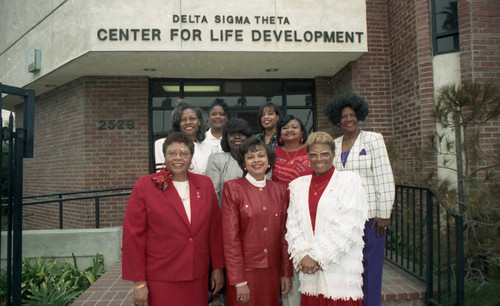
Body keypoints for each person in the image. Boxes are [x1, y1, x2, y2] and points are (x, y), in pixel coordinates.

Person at [122, 132, 225, 306]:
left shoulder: (205, 184)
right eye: (172, 153)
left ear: (191, 157)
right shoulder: (145, 186)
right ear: (164, 156)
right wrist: (139, 282)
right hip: (161, 277)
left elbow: (214, 230)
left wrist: (217, 268)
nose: (178, 158)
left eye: (184, 153)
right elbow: (133, 237)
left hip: (197, 275)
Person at [325, 93, 395, 306]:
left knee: (371, 269)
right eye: (344, 116)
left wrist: (383, 214)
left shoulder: (373, 139)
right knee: (349, 268)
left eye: (353, 115)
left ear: (359, 116)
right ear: (337, 119)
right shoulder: (334, 144)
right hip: (344, 218)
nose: (348, 119)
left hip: (370, 216)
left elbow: (384, 178)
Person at [285, 131, 368, 305]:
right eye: (313, 155)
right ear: (307, 156)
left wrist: (316, 257)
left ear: (333, 154)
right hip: (310, 274)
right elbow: (292, 226)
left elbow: (349, 227)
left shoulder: (350, 181)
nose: (319, 159)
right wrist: (303, 256)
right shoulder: (297, 185)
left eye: (325, 154)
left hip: (340, 270)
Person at [221, 136, 293, 305]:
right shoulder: (233, 188)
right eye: (250, 157)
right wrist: (239, 281)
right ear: (244, 164)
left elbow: (285, 234)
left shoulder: (281, 190)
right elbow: (230, 238)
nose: (256, 160)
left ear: (269, 161)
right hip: (244, 271)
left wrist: (286, 273)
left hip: (272, 271)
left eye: (261, 155)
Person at [155, 100, 215, 174]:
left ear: (199, 122)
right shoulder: (162, 144)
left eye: (192, 119)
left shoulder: (209, 147)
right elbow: (162, 177)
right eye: (183, 120)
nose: (188, 122)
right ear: (178, 123)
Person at [206, 118, 253, 203]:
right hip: (225, 213)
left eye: (241, 134)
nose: (237, 137)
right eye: (232, 134)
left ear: (248, 137)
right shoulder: (217, 159)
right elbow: (212, 194)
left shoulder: (259, 160)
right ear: (226, 139)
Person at [272, 115, 313, 185]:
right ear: (280, 133)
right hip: (280, 195)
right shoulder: (273, 154)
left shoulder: (311, 151)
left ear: (302, 132)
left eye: (294, 127)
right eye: (285, 128)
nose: (289, 130)